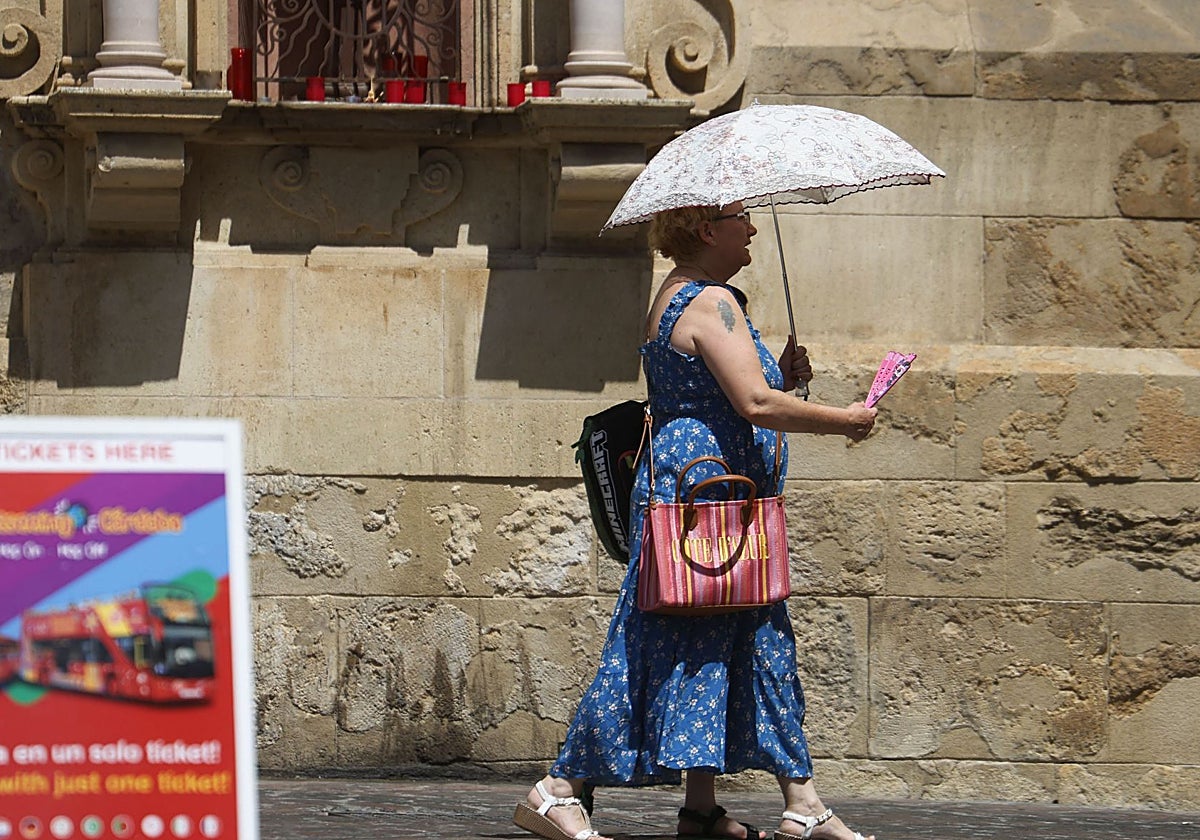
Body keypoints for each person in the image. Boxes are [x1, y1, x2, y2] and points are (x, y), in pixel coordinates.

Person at [513, 203, 877, 840]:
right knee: (669, 638)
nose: (754, 230)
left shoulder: (685, 294)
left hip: (701, 492)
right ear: (708, 231)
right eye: (741, 220)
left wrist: (782, 372)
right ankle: (558, 788)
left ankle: (718, 809)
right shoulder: (712, 303)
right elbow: (756, 404)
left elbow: (735, 389)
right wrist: (845, 419)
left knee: (728, 636)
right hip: (704, 497)